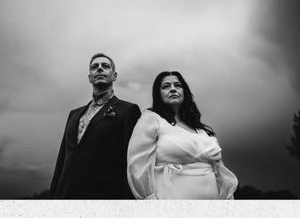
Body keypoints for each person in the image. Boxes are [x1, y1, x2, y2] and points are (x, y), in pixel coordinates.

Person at [126, 71, 238, 199]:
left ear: (184, 91)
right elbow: (138, 164)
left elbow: (220, 173)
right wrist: (150, 201)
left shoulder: (200, 131)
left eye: (177, 85)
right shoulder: (152, 119)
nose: (173, 89)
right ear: (158, 94)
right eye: (166, 86)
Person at [51, 53, 142, 198]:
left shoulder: (128, 111)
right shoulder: (74, 114)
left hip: (104, 196)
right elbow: (62, 160)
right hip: (65, 196)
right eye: (95, 67)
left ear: (114, 76)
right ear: (89, 77)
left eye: (105, 66)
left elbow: (132, 162)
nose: (99, 69)